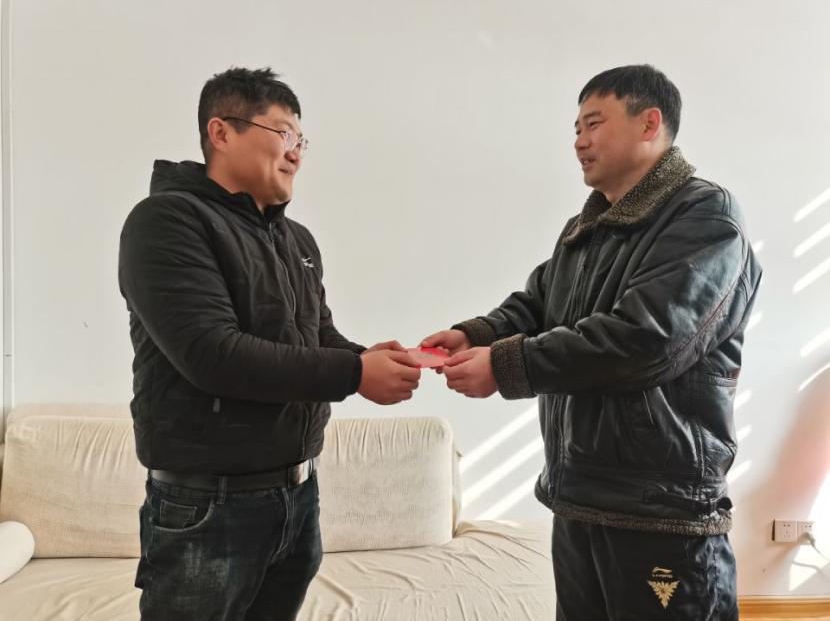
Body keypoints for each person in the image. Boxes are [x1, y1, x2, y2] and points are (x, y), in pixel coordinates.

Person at [422, 64, 761, 620]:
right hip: (580, 494)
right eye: (576, 128)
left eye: (594, 124)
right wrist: (475, 334)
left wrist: (504, 366)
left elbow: (647, 339)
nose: (579, 141)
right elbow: (537, 304)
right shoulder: (588, 228)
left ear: (649, 123)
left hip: (660, 508)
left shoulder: (705, 216)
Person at [119, 66, 421, 621]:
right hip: (207, 505)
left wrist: (368, 357)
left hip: (298, 495)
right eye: (283, 133)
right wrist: (356, 375)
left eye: (302, 140)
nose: (296, 152)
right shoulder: (166, 221)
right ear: (221, 132)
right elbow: (214, 355)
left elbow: (318, 336)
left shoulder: (295, 238)